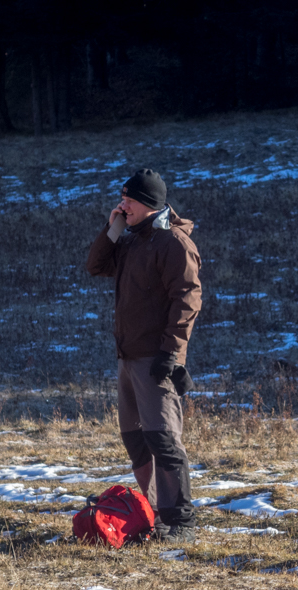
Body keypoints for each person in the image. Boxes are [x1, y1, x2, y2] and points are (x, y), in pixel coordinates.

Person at [86, 168, 202, 542]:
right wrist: (114, 229)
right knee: (136, 439)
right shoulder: (132, 240)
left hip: (155, 359)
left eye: (129, 201)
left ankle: (180, 521)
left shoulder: (172, 243)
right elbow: (96, 266)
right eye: (122, 199)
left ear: (149, 204)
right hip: (127, 356)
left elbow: (187, 300)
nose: (122, 206)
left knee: (163, 438)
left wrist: (172, 354)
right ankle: (153, 514)